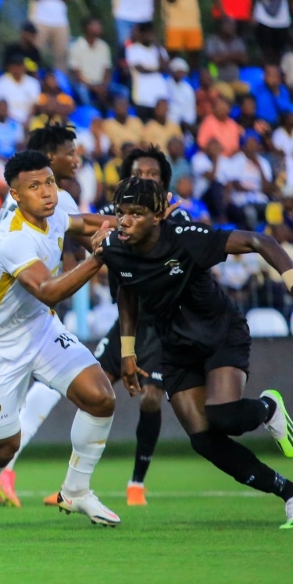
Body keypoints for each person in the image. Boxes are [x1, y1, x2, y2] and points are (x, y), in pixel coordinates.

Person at [100, 175, 293, 528]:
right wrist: (127, 351)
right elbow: (127, 289)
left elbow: (258, 239)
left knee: (224, 418)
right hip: (175, 348)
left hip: (220, 334)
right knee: (204, 440)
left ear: (158, 215)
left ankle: (268, 407)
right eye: (121, 213)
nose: (125, 221)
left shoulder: (187, 240)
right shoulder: (115, 247)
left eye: (136, 213)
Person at [0, 150, 118, 530]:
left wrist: (136, 222)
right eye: (34, 187)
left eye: (49, 182)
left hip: (42, 330)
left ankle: (76, 490)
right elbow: (49, 291)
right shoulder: (12, 240)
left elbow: (87, 222)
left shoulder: (54, 216)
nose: (47, 192)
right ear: (15, 196)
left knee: (100, 397)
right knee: (4, 445)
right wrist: (99, 258)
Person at [75, 148, 194, 506]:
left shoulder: (176, 217)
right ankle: (76, 484)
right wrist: (92, 243)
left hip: (161, 322)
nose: (146, 177)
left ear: (164, 181)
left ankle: (136, 484)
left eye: (153, 173)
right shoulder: (114, 215)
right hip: (126, 320)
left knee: (152, 398)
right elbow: (84, 227)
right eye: (139, 171)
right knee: (89, 392)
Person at [67, 17, 114, 109]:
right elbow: (77, 74)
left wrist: (103, 86)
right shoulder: (76, 47)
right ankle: (91, 115)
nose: (99, 27)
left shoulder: (104, 46)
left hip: (101, 84)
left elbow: (107, 70)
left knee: (122, 92)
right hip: (84, 84)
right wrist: (93, 88)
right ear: (86, 28)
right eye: (96, 25)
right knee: (82, 91)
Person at [126, 22, 169, 113]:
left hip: (160, 95)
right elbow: (141, 69)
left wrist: (158, 47)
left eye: (151, 33)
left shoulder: (159, 50)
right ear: (141, 34)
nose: (149, 36)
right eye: (147, 33)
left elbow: (165, 68)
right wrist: (158, 69)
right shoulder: (133, 49)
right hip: (142, 97)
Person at [0, 53, 40, 127]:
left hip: (28, 120)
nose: (17, 69)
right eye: (14, 66)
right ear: (9, 67)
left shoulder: (33, 83)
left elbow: (34, 105)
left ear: (24, 67)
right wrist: (16, 122)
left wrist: (27, 120)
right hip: (7, 120)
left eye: (20, 66)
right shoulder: (0, 82)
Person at [166, 57, 197, 130]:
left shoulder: (188, 88)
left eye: (182, 71)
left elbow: (190, 108)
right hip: (170, 122)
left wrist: (187, 121)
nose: (180, 74)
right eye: (178, 71)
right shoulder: (166, 84)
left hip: (185, 124)